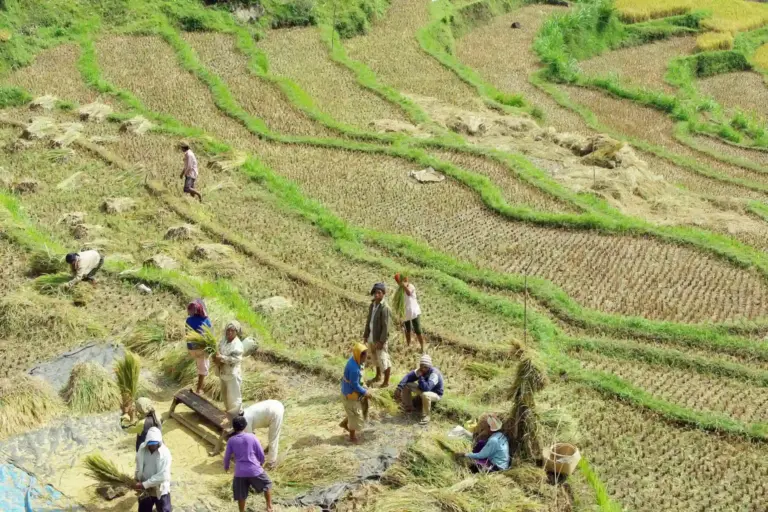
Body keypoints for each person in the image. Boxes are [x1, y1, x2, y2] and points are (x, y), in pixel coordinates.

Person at [224, 415, 273, 512]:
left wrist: (226, 467)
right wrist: (261, 462)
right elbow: (260, 453)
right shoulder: (252, 437)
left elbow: (227, 456)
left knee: (241, 495)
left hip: (239, 473)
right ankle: (269, 506)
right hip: (254, 470)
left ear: (234, 427)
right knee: (267, 483)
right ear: (245, 426)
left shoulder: (231, 440)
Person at [394, 354, 444, 425]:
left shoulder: (434, 374)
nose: (422, 368)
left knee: (425, 394)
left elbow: (427, 388)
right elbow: (408, 377)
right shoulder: (420, 370)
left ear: (429, 366)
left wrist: (420, 377)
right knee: (406, 384)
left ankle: (426, 416)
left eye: (425, 367)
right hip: (424, 390)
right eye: (421, 366)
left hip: (435, 394)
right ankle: (409, 407)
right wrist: (399, 388)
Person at [134, 427, 172, 512]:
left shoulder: (165, 453)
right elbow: (138, 464)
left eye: (154, 444)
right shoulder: (142, 448)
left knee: (163, 509)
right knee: (144, 510)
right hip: (145, 489)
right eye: (150, 444)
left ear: (159, 442)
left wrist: (144, 484)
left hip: (160, 489)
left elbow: (163, 476)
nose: (152, 446)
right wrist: (137, 477)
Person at [340, 343, 371, 443]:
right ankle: (352, 437)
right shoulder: (354, 369)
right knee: (355, 415)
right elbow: (354, 385)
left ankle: (345, 423)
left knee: (357, 410)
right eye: (365, 355)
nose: (367, 357)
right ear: (360, 355)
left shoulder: (355, 360)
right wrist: (365, 392)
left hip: (353, 392)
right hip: (350, 394)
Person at [363, 282, 392, 388]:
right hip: (372, 336)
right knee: (375, 358)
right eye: (375, 292)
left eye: (379, 292)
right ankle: (378, 376)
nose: (376, 295)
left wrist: (381, 341)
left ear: (383, 294)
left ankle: (386, 381)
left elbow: (386, 327)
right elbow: (369, 321)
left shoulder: (385, 308)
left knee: (384, 359)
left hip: (379, 339)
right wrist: (366, 335)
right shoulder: (372, 305)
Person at [242, 400, 284, 468]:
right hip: (273, 405)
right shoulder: (245, 413)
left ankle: (271, 462)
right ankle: (269, 449)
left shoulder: (245, 421)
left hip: (274, 412)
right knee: (272, 438)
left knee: (273, 438)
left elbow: (250, 442)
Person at [216, 320, 244, 417]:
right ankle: (229, 414)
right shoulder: (224, 340)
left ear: (236, 332)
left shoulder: (238, 345)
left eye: (232, 330)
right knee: (225, 395)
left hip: (232, 374)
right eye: (228, 330)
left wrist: (222, 358)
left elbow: (236, 359)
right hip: (223, 372)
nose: (230, 332)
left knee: (234, 397)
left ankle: (238, 416)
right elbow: (218, 349)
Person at [185, 299, 212, 395]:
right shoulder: (205, 320)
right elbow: (209, 335)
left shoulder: (188, 320)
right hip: (201, 349)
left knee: (200, 365)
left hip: (191, 348)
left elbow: (187, 333)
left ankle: (200, 387)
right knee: (203, 368)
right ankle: (199, 389)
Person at [395, 274, 425, 352]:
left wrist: (404, 286)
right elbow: (398, 302)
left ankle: (422, 347)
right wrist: (399, 313)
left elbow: (408, 293)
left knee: (418, 330)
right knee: (407, 330)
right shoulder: (399, 290)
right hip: (405, 313)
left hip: (414, 312)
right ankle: (408, 345)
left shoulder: (411, 286)